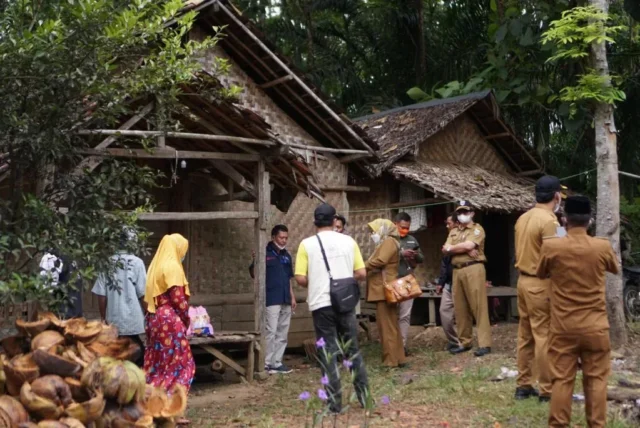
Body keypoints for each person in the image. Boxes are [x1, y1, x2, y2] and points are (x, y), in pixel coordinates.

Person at [536, 196, 619, 428]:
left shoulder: (553, 245)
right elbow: (615, 267)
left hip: (563, 327)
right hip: (596, 327)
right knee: (597, 380)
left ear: (564, 220)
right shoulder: (601, 246)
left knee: (562, 379)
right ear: (590, 221)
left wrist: (563, 235)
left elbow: (541, 273)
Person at [294, 203, 369, 414]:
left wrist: (317, 280)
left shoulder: (306, 244)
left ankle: (334, 405)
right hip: (346, 303)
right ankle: (365, 398)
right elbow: (361, 272)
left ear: (315, 221)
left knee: (328, 354)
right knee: (352, 350)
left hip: (321, 304)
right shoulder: (349, 241)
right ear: (334, 220)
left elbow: (300, 278)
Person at [513, 175, 565, 402]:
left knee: (525, 336)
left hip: (523, 281)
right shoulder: (549, 221)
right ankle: (547, 389)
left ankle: (523, 385)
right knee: (544, 336)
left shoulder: (522, 218)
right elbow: (557, 254)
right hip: (541, 283)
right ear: (556, 196)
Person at [143, 234, 195, 401]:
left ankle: (151, 399)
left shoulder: (155, 266)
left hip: (154, 317)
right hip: (169, 320)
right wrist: (186, 320)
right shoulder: (173, 267)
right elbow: (178, 299)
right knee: (181, 364)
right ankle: (171, 403)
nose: (183, 254)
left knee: (158, 364)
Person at [442, 201, 492, 357]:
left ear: (472, 213)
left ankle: (485, 344)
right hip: (457, 270)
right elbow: (445, 249)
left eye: (466, 211)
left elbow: (470, 246)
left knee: (478, 306)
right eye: (460, 212)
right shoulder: (454, 231)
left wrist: (454, 248)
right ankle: (465, 342)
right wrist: (460, 248)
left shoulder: (477, 229)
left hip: (473, 268)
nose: (463, 215)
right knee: (460, 307)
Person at [91, 229, 147, 364]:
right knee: (135, 349)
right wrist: (148, 313)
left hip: (113, 316)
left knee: (115, 350)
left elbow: (101, 294)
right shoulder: (137, 262)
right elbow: (143, 293)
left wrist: (104, 317)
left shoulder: (107, 263)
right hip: (133, 317)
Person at [249, 224, 296, 374]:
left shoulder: (286, 255)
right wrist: (255, 260)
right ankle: (267, 363)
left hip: (285, 298)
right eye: (281, 237)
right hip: (271, 298)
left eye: (286, 238)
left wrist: (292, 296)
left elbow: (289, 278)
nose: (284, 240)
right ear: (273, 237)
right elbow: (254, 274)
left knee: (283, 332)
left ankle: (277, 362)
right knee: (271, 331)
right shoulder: (263, 253)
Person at [365, 218, 407, 368]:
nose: (372, 234)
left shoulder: (388, 242)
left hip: (384, 289)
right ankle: (399, 358)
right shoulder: (389, 242)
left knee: (386, 327)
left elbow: (381, 260)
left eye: (373, 231)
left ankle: (390, 361)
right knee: (391, 324)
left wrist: (363, 266)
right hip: (385, 288)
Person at [394, 212, 424, 356]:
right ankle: (392, 346)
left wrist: (414, 255)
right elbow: (382, 257)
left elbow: (421, 258)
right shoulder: (388, 239)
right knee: (392, 315)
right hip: (392, 281)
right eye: (402, 227)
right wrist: (401, 254)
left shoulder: (413, 240)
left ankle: (402, 346)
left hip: (407, 280)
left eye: (407, 228)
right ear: (395, 224)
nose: (404, 230)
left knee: (405, 315)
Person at [436, 213, 460, 351]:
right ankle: (453, 340)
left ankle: (465, 341)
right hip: (449, 283)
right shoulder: (448, 240)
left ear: (456, 224)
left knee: (463, 313)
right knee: (444, 311)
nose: (447, 226)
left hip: (461, 280)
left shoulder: (464, 237)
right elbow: (445, 263)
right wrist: (440, 282)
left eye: (449, 223)